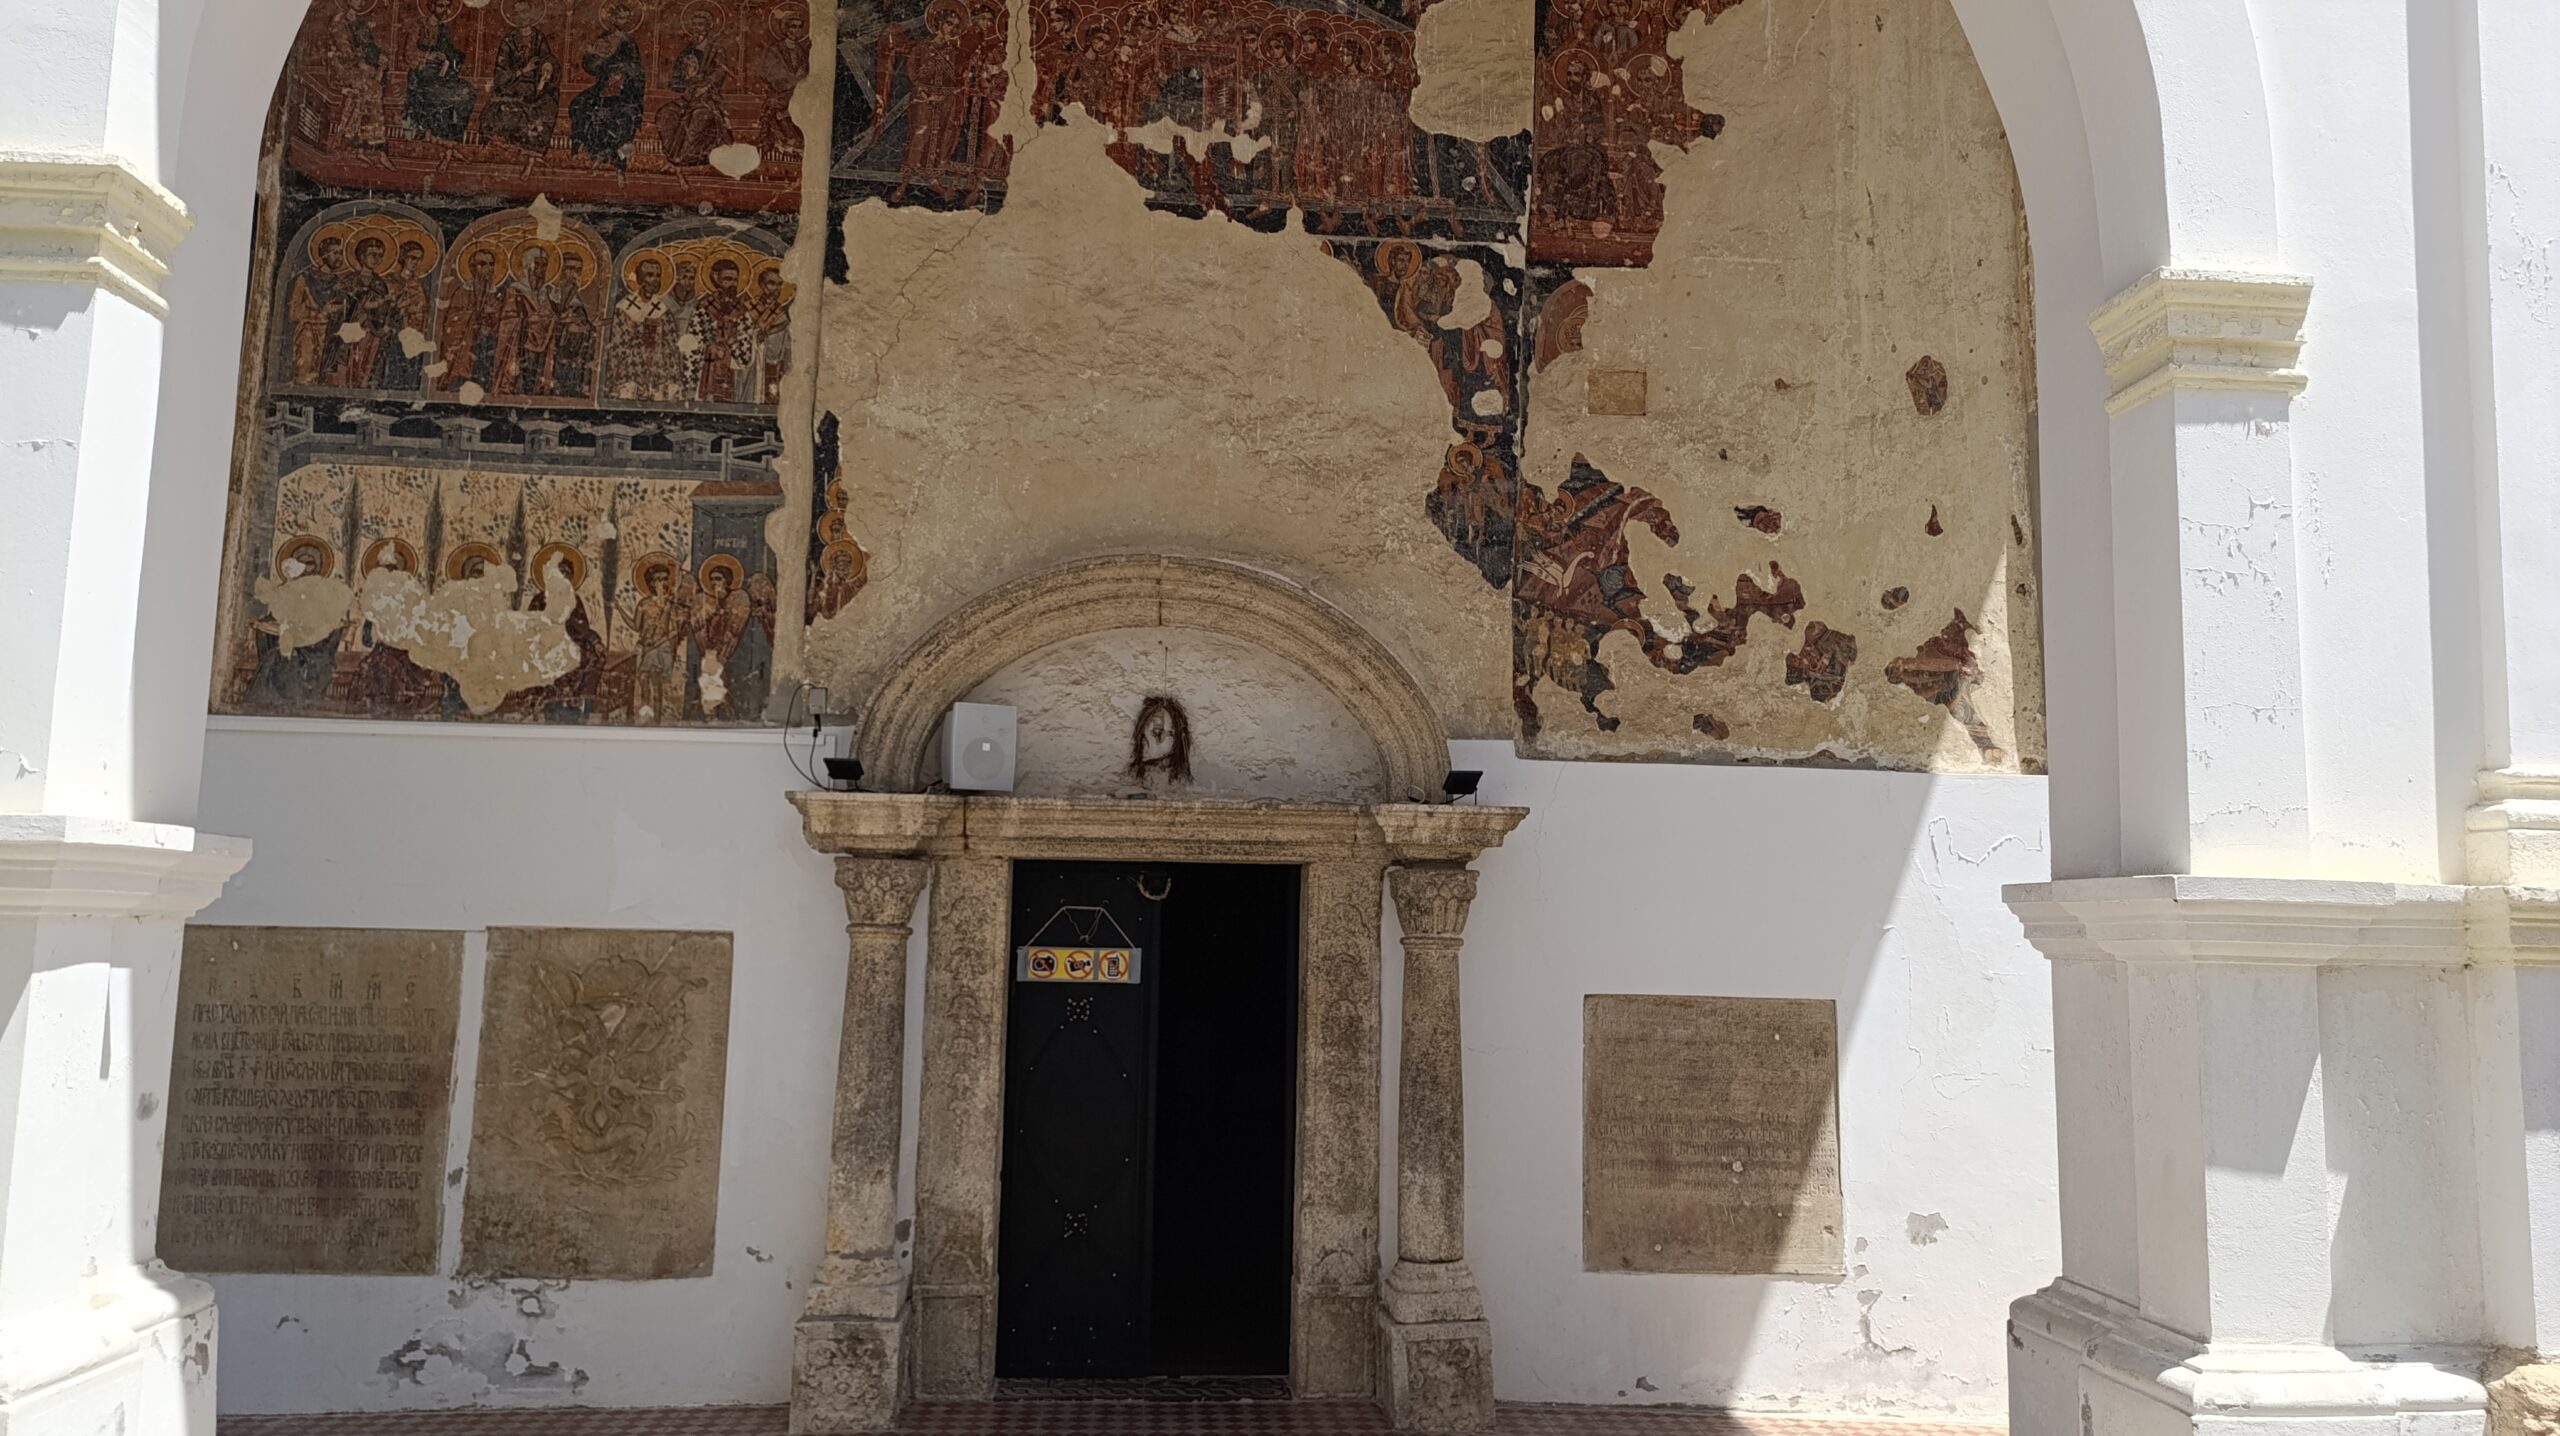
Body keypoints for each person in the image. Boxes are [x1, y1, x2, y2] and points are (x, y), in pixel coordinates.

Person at [569, 5, 647, 166]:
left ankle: (618, 162)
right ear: (612, 19)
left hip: (625, 90)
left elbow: (636, 69)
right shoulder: (603, 39)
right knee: (578, 104)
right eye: (620, 17)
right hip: (602, 87)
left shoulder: (629, 43)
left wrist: (622, 73)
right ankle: (581, 144)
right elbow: (591, 67)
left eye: (626, 18)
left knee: (621, 115)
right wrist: (592, 55)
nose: (624, 21)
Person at [657, 12, 735, 166]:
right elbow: (675, 79)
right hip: (688, 97)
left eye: (701, 24)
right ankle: (671, 153)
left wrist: (705, 85)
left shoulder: (715, 49)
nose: (697, 28)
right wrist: (685, 79)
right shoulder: (688, 50)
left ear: (708, 27)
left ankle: (687, 156)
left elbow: (720, 71)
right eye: (694, 25)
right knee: (665, 113)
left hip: (708, 98)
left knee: (699, 117)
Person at [483, 17, 563, 153]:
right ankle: (508, 147)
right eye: (520, 14)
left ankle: (533, 150)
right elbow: (500, 74)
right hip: (512, 88)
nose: (524, 18)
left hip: (536, 87)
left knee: (545, 107)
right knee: (503, 109)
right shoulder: (509, 40)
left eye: (527, 14)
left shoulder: (538, 38)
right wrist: (522, 71)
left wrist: (547, 67)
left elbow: (547, 58)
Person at [285, 233, 354, 386]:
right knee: (306, 380)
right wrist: (322, 312)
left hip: (331, 339)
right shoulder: (306, 278)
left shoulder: (341, 284)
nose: (339, 257)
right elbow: (293, 313)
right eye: (335, 253)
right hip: (309, 335)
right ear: (324, 255)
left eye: (341, 253)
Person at [605, 254, 673, 400]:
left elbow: (670, 344)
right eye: (650, 275)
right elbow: (618, 344)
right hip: (630, 370)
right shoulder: (624, 307)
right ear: (640, 278)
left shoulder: (663, 309)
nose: (655, 279)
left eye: (658, 275)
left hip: (656, 371)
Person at [403, 21, 476, 142]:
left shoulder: (443, 29)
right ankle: (436, 134)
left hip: (444, 76)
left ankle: (454, 136)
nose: (442, 11)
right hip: (423, 78)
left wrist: (451, 58)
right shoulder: (418, 26)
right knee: (438, 93)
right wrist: (429, 56)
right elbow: (409, 54)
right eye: (440, 8)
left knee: (468, 91)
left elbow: (450, 54)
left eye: (445, 9)